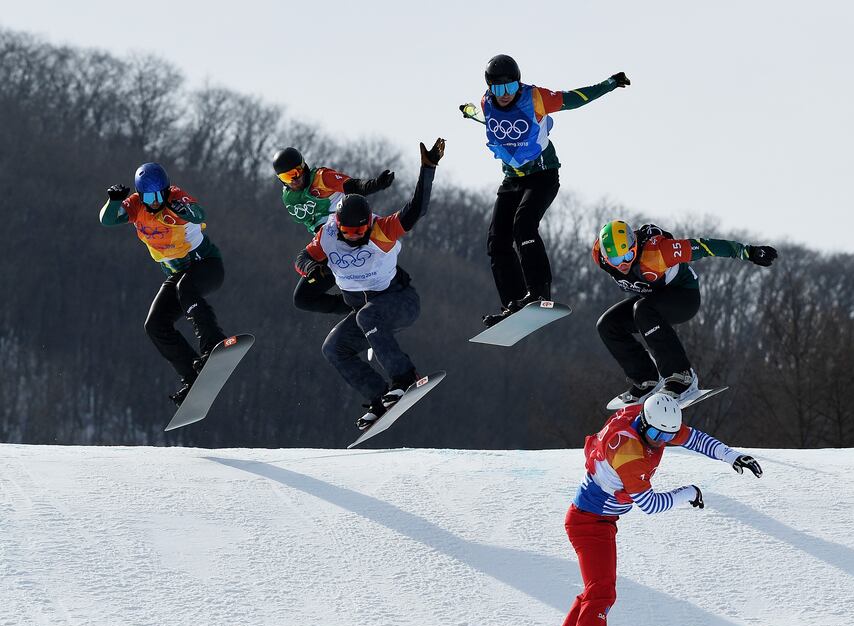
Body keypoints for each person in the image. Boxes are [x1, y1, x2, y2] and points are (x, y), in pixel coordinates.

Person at [551, 392, 763, 626]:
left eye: (665, 437)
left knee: (594, 592)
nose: (659, 442)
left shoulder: (651, 419)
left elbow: (692, 438)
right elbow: (649, 504)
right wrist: (687, 492)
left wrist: (730, 456)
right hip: (589, 523)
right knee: (601, 594)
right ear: (643, 424)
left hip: (599, 521)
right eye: (654, 435)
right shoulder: (628, 449)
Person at [466, 54, 630, 327]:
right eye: (498, 89)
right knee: (497, 242)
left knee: (524, 226)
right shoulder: (486, 103)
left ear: (518, 83)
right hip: (512, 180)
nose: (504, 95)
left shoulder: (536, 98)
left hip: (542, 175)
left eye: (509, 88)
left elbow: (576, 98)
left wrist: (609, 84)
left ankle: (540, 293)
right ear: (489, 88)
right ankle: (513, 304)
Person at [294, 139, 445, 430]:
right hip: (366, 311)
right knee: (334, 348)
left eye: (359, 231)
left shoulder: (382, 229)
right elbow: (301, 257)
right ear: (338, 225)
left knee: (367, 315)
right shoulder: (327, 235)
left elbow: (416, 210)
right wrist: (311, 267)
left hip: (400, 302)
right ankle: (380, 397)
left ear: (368, 224)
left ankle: (405, 378)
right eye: (347, 232)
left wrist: (427, 170)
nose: (353, 236)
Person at [592, 220, 778, 405]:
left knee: (642, 310)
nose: (622, 263)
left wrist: (748, 252)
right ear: (605, 257)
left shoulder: (660, 252)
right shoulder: (599, 257)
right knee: (608, 325)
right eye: (615, 260)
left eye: (627, 255)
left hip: (684, 297)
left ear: (634, 247)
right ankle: (646, 380)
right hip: (653, 300)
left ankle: (682, 377)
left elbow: (705, 246)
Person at [99, 162, 229, 406]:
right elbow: (108, 220)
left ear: (167, 189)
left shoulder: (176, 196)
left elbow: (200, 214)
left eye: (160, 194)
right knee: (155, 325)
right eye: (150, 196)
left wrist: (184, 210)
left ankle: (213, 345)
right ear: (141, 194)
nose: (156, 200)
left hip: (207, 265)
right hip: (178, 276)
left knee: (186, 289)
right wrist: (114, 201)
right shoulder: (136, 205)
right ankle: (193, 377)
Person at [271, 147, 396, 315]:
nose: (295, 179)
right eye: (287, 177)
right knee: (302, 299)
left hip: (347, 236)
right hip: (327, 246)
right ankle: (356, 308)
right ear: (280, 179)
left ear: (304, 166)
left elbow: (353, 186)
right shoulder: (288, 197)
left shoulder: (321, 178)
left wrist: (376, 184)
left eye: (297, 172)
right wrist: (314, 265)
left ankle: (376, 297)